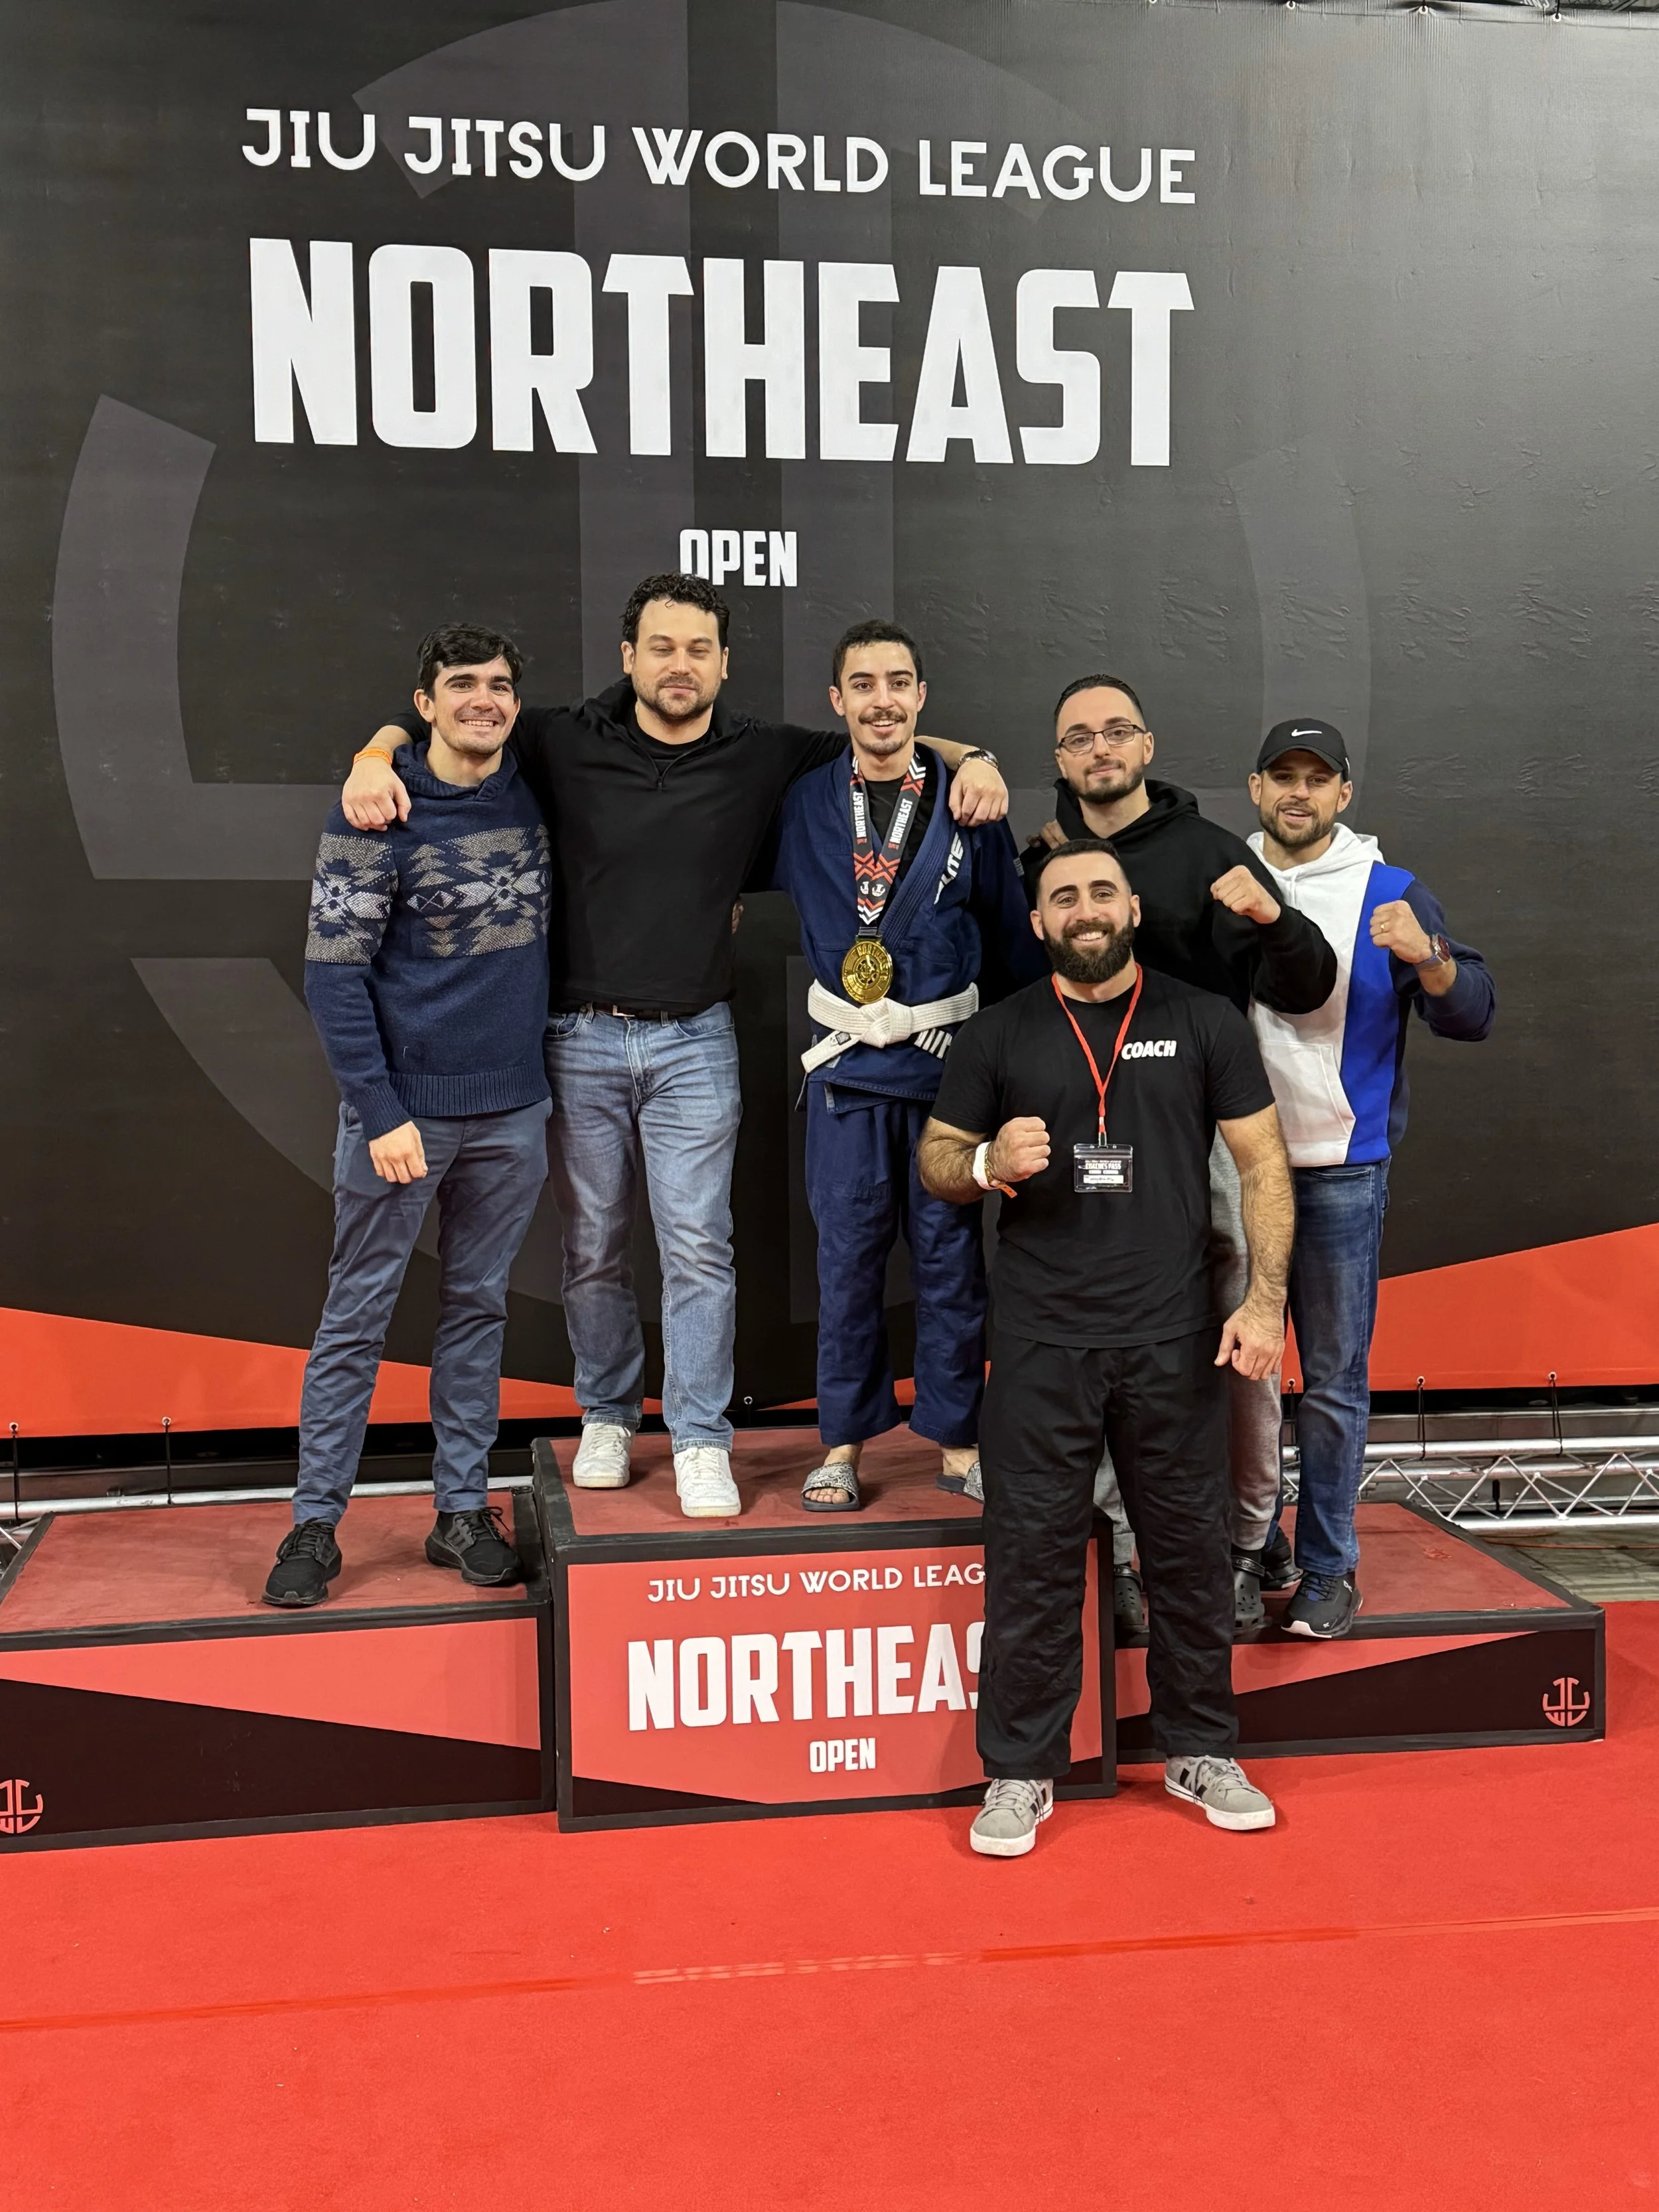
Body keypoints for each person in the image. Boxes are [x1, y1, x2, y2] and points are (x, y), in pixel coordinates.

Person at [340, 574, 1007, 1522]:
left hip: (698, 1039)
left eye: (699, 650)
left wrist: (974, 756)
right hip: (579, 1036)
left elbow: (890, 742)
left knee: (699, 1247)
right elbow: (455, 717)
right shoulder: (563, 737)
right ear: (629, 657)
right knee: (594, 1246)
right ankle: (609, 1413)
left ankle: (700, 1437)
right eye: (662, 647)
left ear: (724, 663)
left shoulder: (766, 754)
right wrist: (376, 753)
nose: (680, 666)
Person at [918, 837, 1294, 1856]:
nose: (1084, 910)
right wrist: (989, 1158)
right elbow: (938, 1160)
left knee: (1185, 1555)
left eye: (1100, 892)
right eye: (1061, 898)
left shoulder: (1201, 1017)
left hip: (1174, 1337)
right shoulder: (1000, 1034)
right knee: (1031, 1560)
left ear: (1130, 906)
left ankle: (1201, 1748)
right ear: (1037, 923)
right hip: (1042, 1342)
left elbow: (1262, 1164)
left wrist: (1263, 1307)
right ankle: (1019, 1771)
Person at [1023, 676, 1336, 1633]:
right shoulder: (1038, 861)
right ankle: (1122, 1553)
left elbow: (1307, 985)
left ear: (1148, 746)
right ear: (1062, 757)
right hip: (1082, 1141)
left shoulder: (1210, 853)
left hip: (1204, 1133)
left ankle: (1244, 1543)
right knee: (1105, 1349)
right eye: (1080, 736)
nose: (1101, 748)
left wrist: (1275, 917)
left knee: (1239, 1337)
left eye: (1118, 732)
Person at [265, 625, 551, 1607]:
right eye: (462, 684)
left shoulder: (532, 783)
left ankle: (461, 1509)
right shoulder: (373, 812)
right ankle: (313, 1525)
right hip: (401, 1123)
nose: (486, 699)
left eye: (501, 685)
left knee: (477, 1312)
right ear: (424, 702)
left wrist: (375, 739)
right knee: (356, 1318)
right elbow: (333, 976)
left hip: (514, 1115)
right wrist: (380, 1110)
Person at [766, 621, 1045, 1512]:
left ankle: (959, 1437)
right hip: (847, 1074)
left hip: (947, 1076)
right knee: (845, 1262)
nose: (882, 699)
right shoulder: (803, 801)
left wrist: (1014, 1076)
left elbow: (1010, 946)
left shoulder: (973, 805)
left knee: (950, 1258)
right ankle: (843, 1443)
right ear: (837, 701)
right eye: (864, 683)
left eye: (900, 682)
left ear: (921, 698)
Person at [1246, 720, 1496, 1635]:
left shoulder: (1390, 889)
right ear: (1256, 788)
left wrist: (1426, 957)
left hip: (1342, 1176)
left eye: (1318, 779)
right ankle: (1250, 1549)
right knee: (1234, 1385)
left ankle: (1326, 1568)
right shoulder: (1226, 879)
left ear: (1344, 794)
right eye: (1284, 777)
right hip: (1235, 1172)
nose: (1300, 793)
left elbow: (1474, 1013)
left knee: (1335, 1385)